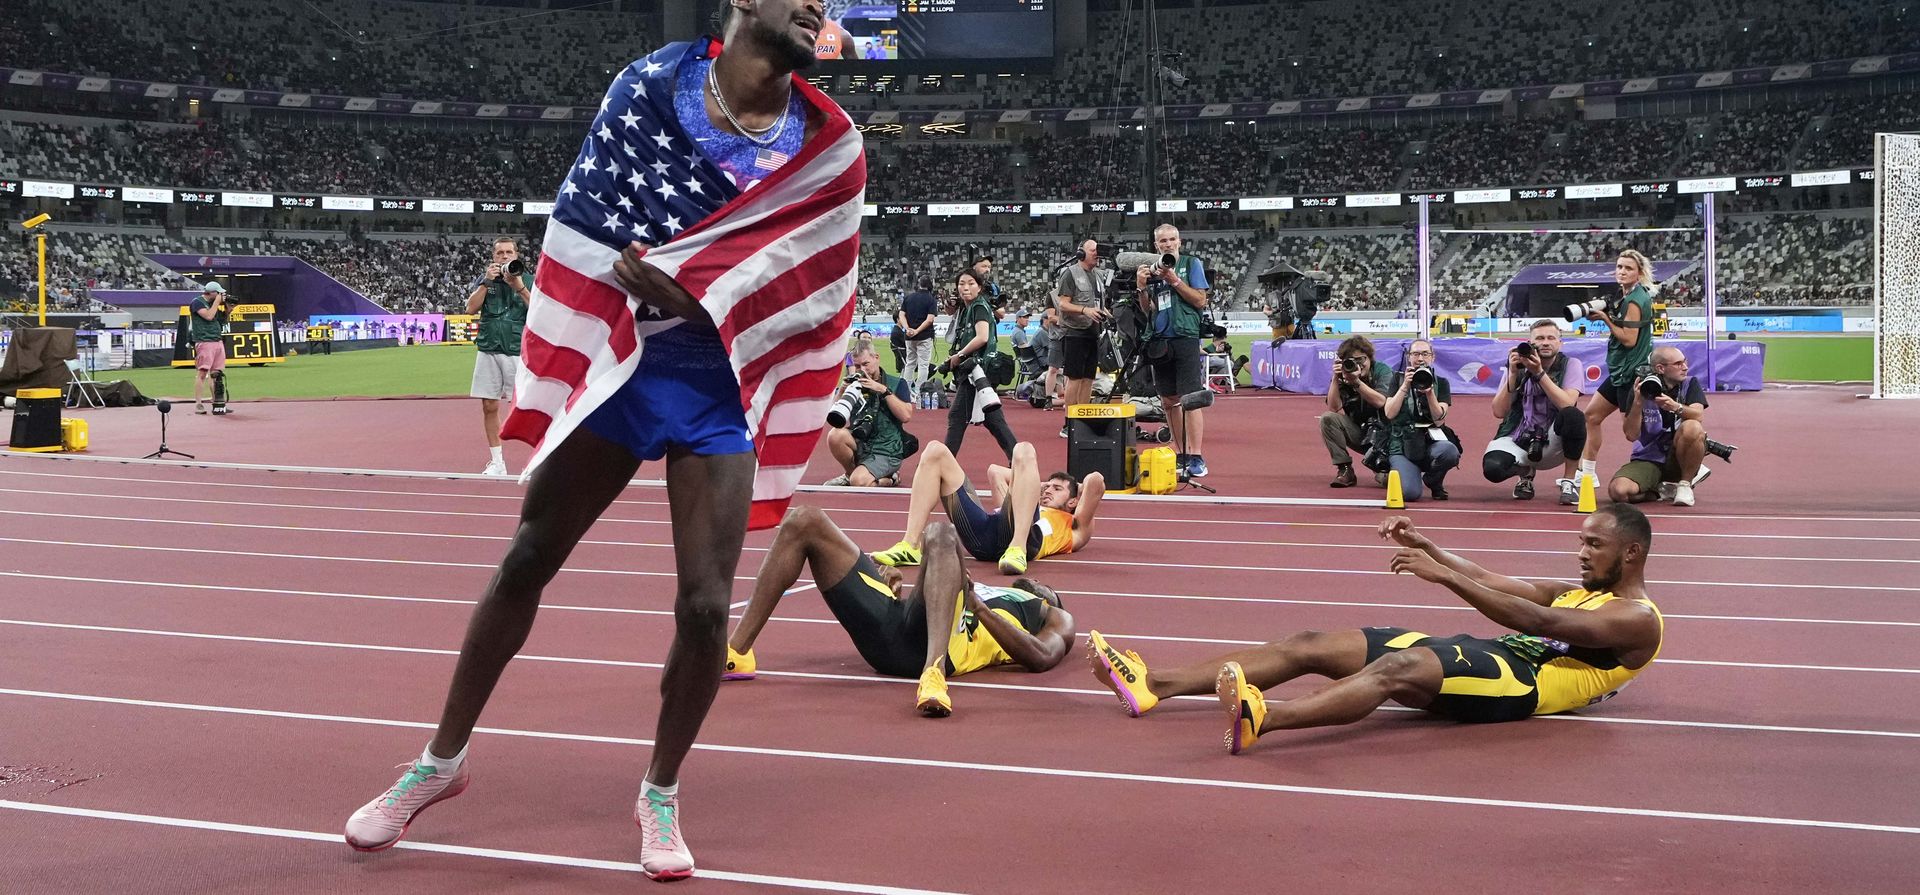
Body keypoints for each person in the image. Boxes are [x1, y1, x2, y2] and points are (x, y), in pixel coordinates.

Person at [343, 1, 862, 881]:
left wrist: (704, 297)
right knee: (528, 556)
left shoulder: (829, 146)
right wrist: (653, 285)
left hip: (720, 384)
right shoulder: (651, 87)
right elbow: (587, 225)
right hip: (622, 361)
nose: (818, 5)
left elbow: (814, 288)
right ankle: (440, 759)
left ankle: (660, 790)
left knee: (706, 606)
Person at [1087, 506, 1663, 754]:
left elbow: (1537, 620)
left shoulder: (1637, 619)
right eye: (1581, 541)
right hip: (1489, 654)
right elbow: (1493, 580)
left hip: (1521, 685)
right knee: (1311, 644)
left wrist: (1442, 578)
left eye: (1594, 544)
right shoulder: (1580, 588)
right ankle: (1154, 685)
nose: (1581, 553)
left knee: (1396, 668)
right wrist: (1430, 548)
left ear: (1631, 553)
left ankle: (1266, 718)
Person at [723, 508, 1074, 717]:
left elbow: (1042, 656)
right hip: (894, 627)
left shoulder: (1049, 614)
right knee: (805, 520)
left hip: (940, 651)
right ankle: (736, 653)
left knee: (941, 532)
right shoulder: (990, 587)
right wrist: (895, 591)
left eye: (1047, 587)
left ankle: (933, 674)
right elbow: (934, 597)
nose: (1038, 582)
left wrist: (978, 607)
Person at [872, 439, 1105, 575]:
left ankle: (1017, 549)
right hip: (984, 534)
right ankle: (910, 545)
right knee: (935, 450)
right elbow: (995, 471)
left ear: (1073, 501)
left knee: (1024, 448)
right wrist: (1035, 483)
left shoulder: (1076, 527)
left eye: (1057, 488)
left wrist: (1074, 487)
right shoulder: (1027, 496)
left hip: (1024, 540)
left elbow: (1095, 481)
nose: (1048, 490)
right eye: (1047, 486)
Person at [1134, 225, 1211, 477]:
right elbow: (1148, 309)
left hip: (1185, 335)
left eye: (1172, 239)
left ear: (1179, 241)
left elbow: (1200, 300)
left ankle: (1196, 456)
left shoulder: (1191, 263)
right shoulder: (1154, 269)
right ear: (1156, 245)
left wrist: (1175, 280)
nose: (1168, 244)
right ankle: (1181, 454)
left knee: (1191, 397)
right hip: (1160, 338)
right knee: (1168, 400)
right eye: (1163, 241)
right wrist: (1141, 287)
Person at [1483, 320, 1587, 504]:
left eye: (1551, 338)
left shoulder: (1571, 364)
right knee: (1493, 469)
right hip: (1520, 437)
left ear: (1560, 343)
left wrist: (1538, 373)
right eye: (1539, 338)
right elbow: (1499, 411)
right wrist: (1513, 374)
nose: (1545, 342)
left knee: (1574, 415)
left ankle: (1569, 481)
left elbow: (1567, 403)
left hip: (1555, 441)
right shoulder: (1518, 365)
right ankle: (1525, 472)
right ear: (1530, 343)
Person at [1577, 250, 1657, 485]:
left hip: (1630, 372)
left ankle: (1681, 462)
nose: (1622, 271)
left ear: (1639, 273)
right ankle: (1588, 473)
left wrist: (1605, 319)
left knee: (1634, 432)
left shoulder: (1634, 300)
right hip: (1621, 371)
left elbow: (1629, 340)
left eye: (1628, 268)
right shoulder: (1626, 295)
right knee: (1592, 416)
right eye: (1620, 267)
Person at [1609, 346, 1713, 507]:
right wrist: (1638, 402)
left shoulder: (1689, 383)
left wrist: (1675, 406)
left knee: (1692, 427)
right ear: (1660, 368)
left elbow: (1698, 415)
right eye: (1678, 364)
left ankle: (1685, 484)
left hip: (1678, 456)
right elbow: (1631, 435)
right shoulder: (1642, 387)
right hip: (1648, 457)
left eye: (1684, 362)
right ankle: (1661, 491)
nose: (1685, 367)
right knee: (1618, 491)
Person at [466, 236, 531, 475]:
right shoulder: (485, 280)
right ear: (493, 256)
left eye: (508, 252)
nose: (504, 256)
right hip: (489, 347)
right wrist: (485, 283)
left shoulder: (530, 279)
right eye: (500, 253)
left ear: (516, 255)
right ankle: (497, 462)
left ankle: (535, 461)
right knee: (489, 405)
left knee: (527, 407)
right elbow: (470, 309)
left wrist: (519, 286)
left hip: (517, 350)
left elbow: (539, 311)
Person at [940, 269, 1018, 460]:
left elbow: (982, 337)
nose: (965, 288)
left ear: (980, 287)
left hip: (977, 370)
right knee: (993, 419)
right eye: (961, 284)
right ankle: (1018, 458)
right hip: (978, 370)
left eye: (971, 283)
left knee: (957, 417)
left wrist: (959, 355)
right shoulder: (970, 308)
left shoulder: (978, 307)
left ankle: (944, 466)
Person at [824, 343, 915, 487]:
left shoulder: (897, 383)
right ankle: (850, 474)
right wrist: (842, 391)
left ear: (876, 358)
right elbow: (834, 418)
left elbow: (906, 416)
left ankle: (889, 479)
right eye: (857, 366)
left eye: (865, 364)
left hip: (887, 449)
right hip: (862, 441)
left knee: (858, 482)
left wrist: (882, 390)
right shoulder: (854, 385)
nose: (862, 370)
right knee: (834, 435)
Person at [1382, 338, 1460, 501]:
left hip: (1430, 441)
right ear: (1409, 357)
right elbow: (1389, 413)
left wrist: (1430, 393)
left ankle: (1433, 479)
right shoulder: (1397, 379)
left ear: (1433, 357)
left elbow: (1439, 420)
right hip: (1402, 443)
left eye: (1425, 354)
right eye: (1415, 354)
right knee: (1410, 494)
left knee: (1450, 452)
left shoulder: (1441, 383)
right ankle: (1400, 472)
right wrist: (1405, 386)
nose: (1420, 359)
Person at [1318, 335, 1392, 488]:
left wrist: (1356, 383)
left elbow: (1381, 402)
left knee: (1388, 481)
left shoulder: (1382, 371)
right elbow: (1333, 408)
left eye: (1361, 359)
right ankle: (1345, 468)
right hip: (1360, 431)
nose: (1358, 365)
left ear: (1369, 358)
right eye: (1352, 361)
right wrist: (1335, 378)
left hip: (1386, 436)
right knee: (1328, 419)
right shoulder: (1344, 374)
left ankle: (1383, 466)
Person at [1054, 239, 1112, 425]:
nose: (1097, 253)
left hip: (1092, 333)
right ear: (1081, 253)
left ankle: (1083, 420)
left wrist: (1106, 313)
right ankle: (1070, 422)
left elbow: (1096, 302)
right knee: (1075, 378)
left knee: (1088, 378)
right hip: (1074, 333)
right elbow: (1062, 304)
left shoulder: (1098, 275)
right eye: (1093, 250)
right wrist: (1085, 310)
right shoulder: (1070, 273)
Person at [187, 281, 230, 415]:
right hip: (204, 341)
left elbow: (222, 321)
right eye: (218, 293)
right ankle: (198, 404)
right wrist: (217, 302)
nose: (220, 296)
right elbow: (209, 316)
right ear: (211, 293)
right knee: (202, 372)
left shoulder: (213, 305)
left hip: (217, 340)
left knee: (216, 374)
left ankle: (217, 402)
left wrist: (228, 309)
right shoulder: (197, 302)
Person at [897, 275, 938, 394]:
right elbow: (930, 319)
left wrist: (907, 328)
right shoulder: (931, 299)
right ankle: (920, 390)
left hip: (909, 337)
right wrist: (917, 330)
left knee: (910, 362)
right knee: (923, 365)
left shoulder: (909, 297)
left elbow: (901, 315)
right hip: (924, 336)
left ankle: (905, 389)